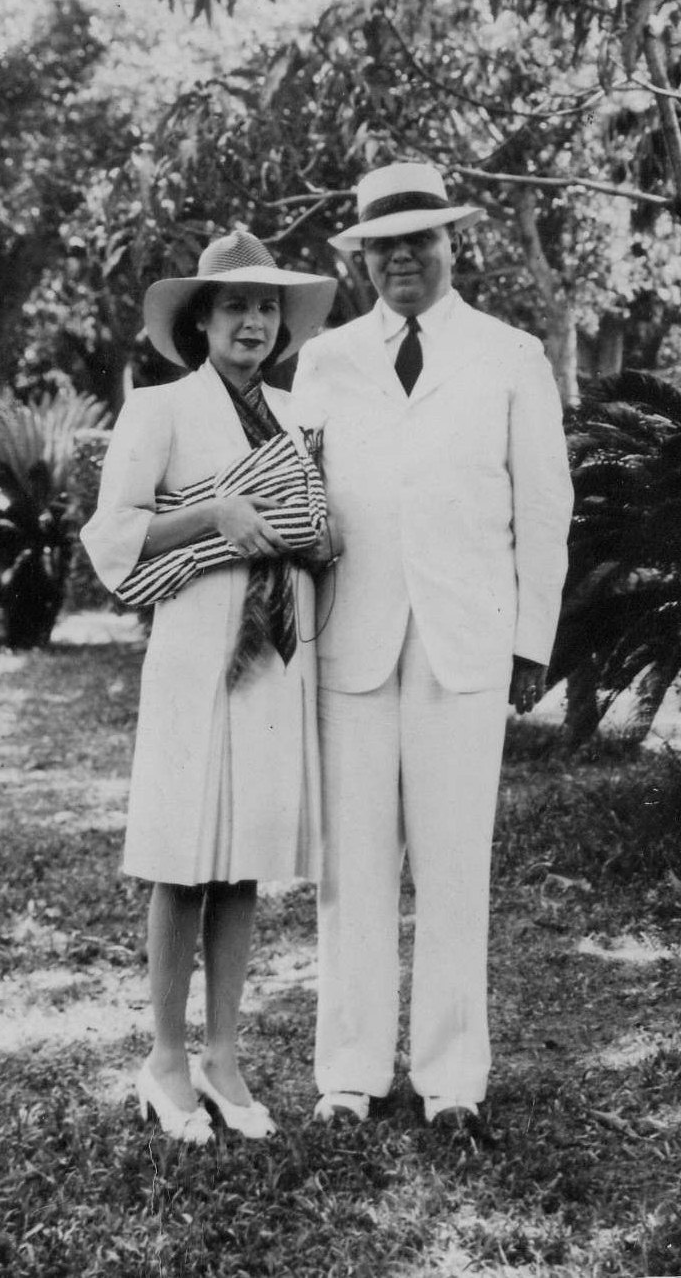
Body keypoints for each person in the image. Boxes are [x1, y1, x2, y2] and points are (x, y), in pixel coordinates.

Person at [293, 161, 573, 1139]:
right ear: (361, 258)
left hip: (467, 641)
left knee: (455, 864)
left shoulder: (510, 355)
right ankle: (350, 1072)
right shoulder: (325, 360)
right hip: (350, 642)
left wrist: (531, 640)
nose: (402, 257)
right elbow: (299, 498)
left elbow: (544, 506)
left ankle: (453, 1077)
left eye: (420, 238)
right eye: (383, 245)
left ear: (454, 242)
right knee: (353, 867)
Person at [81, 230, 336, 1145]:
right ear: (201, 320)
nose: (253, 322)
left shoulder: (296, 416)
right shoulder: (161, 408)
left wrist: (316, 534)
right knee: (183, 852)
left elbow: (318, 522)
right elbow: (114, 536)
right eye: (235, 306)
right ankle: (164, 1058)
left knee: (244, 855)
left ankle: (222, 1056)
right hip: (197, 648)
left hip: (272, 653)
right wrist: (214, 512)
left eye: (267, 307)